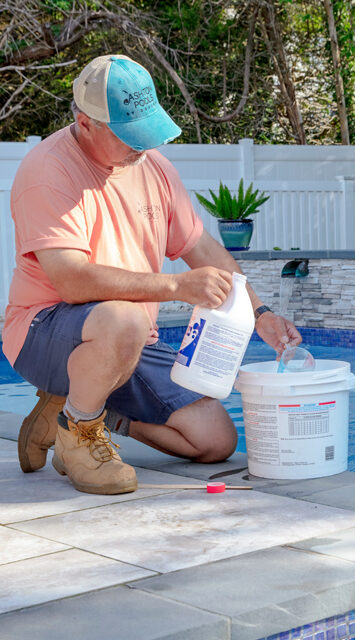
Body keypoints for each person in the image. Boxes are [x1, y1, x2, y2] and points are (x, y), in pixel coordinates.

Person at [2, 54, 301, 496]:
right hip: (43, 329)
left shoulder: (154, 168)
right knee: (123, 318)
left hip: (128, 339)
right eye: (129, 135)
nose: (141, 146)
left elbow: (202, 249)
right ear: (86, 123)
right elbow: (71, 280)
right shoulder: (47, 172)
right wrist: (177, 286)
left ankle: (78, 408)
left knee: (215, 440)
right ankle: (81, 433)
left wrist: (261, 313)